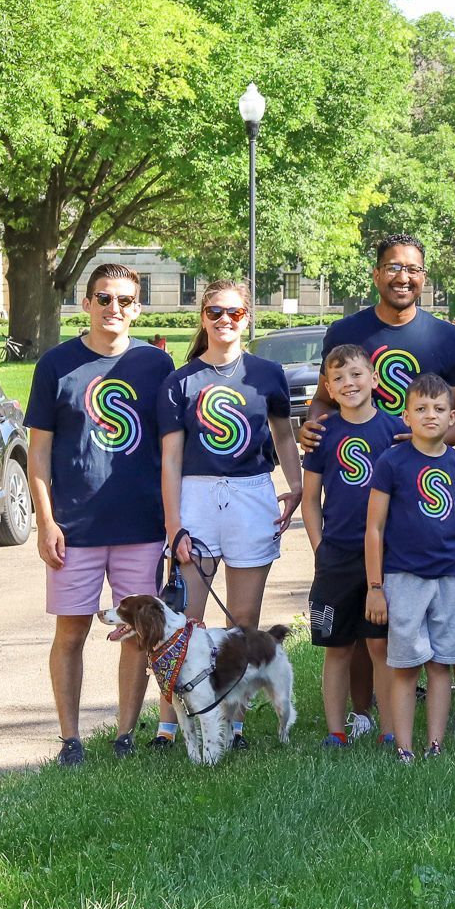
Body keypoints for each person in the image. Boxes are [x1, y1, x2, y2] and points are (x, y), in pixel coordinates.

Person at [302, 233, 455, 736]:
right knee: (364, 624)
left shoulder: (443, 337)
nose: (403, 276)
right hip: (353, 523)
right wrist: (311, 424)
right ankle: (361, 715)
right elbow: (324, 400)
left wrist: (427, 441)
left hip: (426, 505)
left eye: (413, 268)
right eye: (393, 267)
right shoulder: (348, 331)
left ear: (424, 277)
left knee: (446, 605)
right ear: (378, 274)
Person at [25, 263, 173, 765]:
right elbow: (38, 453)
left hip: (141, 526)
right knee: (71, 633)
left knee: (136, 633)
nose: (114, 309)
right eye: (104, 299)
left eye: (125, 301)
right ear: (85, 304)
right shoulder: (56, 366)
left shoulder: (156, 366)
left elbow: (173, 448)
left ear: (138, 307)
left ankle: (126, 734)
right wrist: (45, 521)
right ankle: (70, 739)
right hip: (76, 529)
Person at [157, 279, 302, 750]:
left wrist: (296, 483)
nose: (224, 321)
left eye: (235, 314)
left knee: (243, 618)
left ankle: (233, 723)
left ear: (248, 318)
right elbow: (171, 460)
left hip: (251, 492)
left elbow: (283, 435)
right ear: (203, 317)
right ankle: (170, 725)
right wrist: (173, 523)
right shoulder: (180, 381)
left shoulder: (267, 373)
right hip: (196, 497)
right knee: (185, 621)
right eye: (216, 312)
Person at [365, 374, 455, 763]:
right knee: (405, 666)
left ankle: (435, 744)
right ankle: (404, 747)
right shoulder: (392, 462)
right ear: (406, 416)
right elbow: (375, 528)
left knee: (440, 664)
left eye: (438, 409)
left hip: (451, 579)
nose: (429, 415)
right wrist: (375, 586)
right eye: (420, 408)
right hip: (404, 579)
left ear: (453, 417)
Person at [301, 344, 408, 748]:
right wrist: (318, 547)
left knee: (380, 644)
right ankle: (336, 730)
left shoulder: (395, 430)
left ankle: (388, 728)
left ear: (374, 378)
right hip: (337, 555)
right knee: (337, 647)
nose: (349, 383)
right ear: (327, 386)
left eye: (357, 374)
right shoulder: (323, 434)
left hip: (382, 558)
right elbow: (311, 499)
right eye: (339, 378)